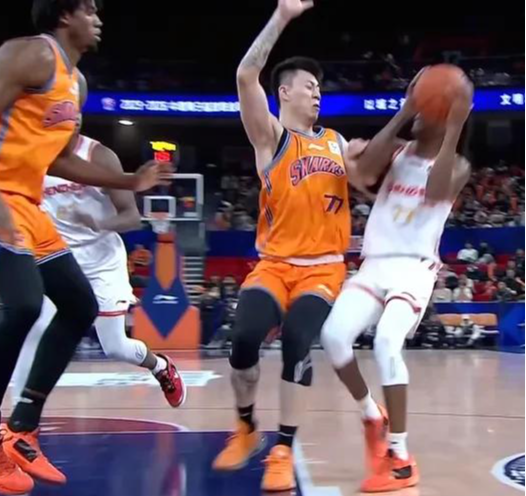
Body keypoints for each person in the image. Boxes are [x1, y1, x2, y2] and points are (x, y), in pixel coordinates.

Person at [0, 1, 166, 494]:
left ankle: (22, 428)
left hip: (25, 204)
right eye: (89, 9)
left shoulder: (75, 82)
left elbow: (60, 159)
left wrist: (129, 179)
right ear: (65, 16)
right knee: (25, 306)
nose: (99, 18)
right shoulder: (30, 54)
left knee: (79, 305)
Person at [212, 0, 356, 492]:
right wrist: (282, 16)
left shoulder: (337, 141)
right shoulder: (271, 138)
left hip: (324, 268)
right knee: (243, 338)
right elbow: (244, 75)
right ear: (285, 93)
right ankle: (246, 427)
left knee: (297, 339)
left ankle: (283, 449)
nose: (317, 93)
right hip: (274, 264)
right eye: (309, 86)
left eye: (320, 88)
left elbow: (367, 173)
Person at [321, 69, 473, 492]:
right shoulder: (397, 151)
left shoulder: (457, 164)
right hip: (374, 264)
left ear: (443, 116)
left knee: (388, 341)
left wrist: (454, 125)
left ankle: (401, 457)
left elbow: (436, 192)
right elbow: (366, 171)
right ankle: (372, 414)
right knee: (333, 337)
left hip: (414, 268)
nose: (421, 111)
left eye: (428, 107)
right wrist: (405, 110)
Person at [10, 135, 186, 410]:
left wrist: (99, 223)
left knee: (114, 346)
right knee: (36, 327)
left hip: (102, 262)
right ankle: (17, 417)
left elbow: (131, 217)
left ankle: (160, 366)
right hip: (59, 258)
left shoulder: (99, 155)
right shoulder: (35, 154)